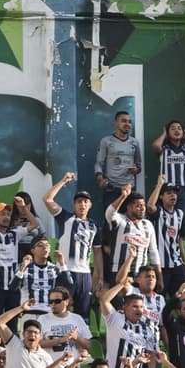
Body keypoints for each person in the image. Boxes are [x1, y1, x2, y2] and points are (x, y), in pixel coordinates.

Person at [44, 172, 103, 316]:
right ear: (74, 204)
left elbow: (97, 253)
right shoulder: (65, 218)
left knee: (83, 314)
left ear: (90, 205)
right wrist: (64, 181)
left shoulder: (94, 226)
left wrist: (99, 277)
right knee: (60, 310)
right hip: (65, 270)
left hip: (85, 274)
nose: (82, 204)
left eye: (85, 201)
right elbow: (47, 199)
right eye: (79, 201)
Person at [150, 119, 185, 239]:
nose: (176, 130)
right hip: (167, 191)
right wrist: (164, 134)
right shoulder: (164, 149)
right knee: (165, 223)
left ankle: (181, 251)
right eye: (173, 128)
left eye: (179, 128)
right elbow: (155, 146)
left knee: (182, 223)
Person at [95, 110, 142, 216]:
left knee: (130, 221)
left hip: (129, 189)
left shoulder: (134, 142)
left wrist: (136, 169)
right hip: (112, 189)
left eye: (129, 122)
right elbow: (99, 163)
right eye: (123, 121)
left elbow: (139, 165)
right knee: (111, 222)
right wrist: (100, 178)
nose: (127, 124)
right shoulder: (106, 141)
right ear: (116, 123)